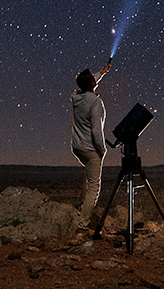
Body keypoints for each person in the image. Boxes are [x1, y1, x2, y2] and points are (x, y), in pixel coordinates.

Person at [70, 58, 112, 227]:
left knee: (89, 177)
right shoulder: (95, 103)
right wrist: (102, 150)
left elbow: (85, 84)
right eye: (94, 79)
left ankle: (83, 207)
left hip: (77, 147)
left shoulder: (76, 97)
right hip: (90, 149)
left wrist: (101, 73)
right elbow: (96, 131)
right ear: (92, 84)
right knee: (94, 187)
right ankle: (82, 222)